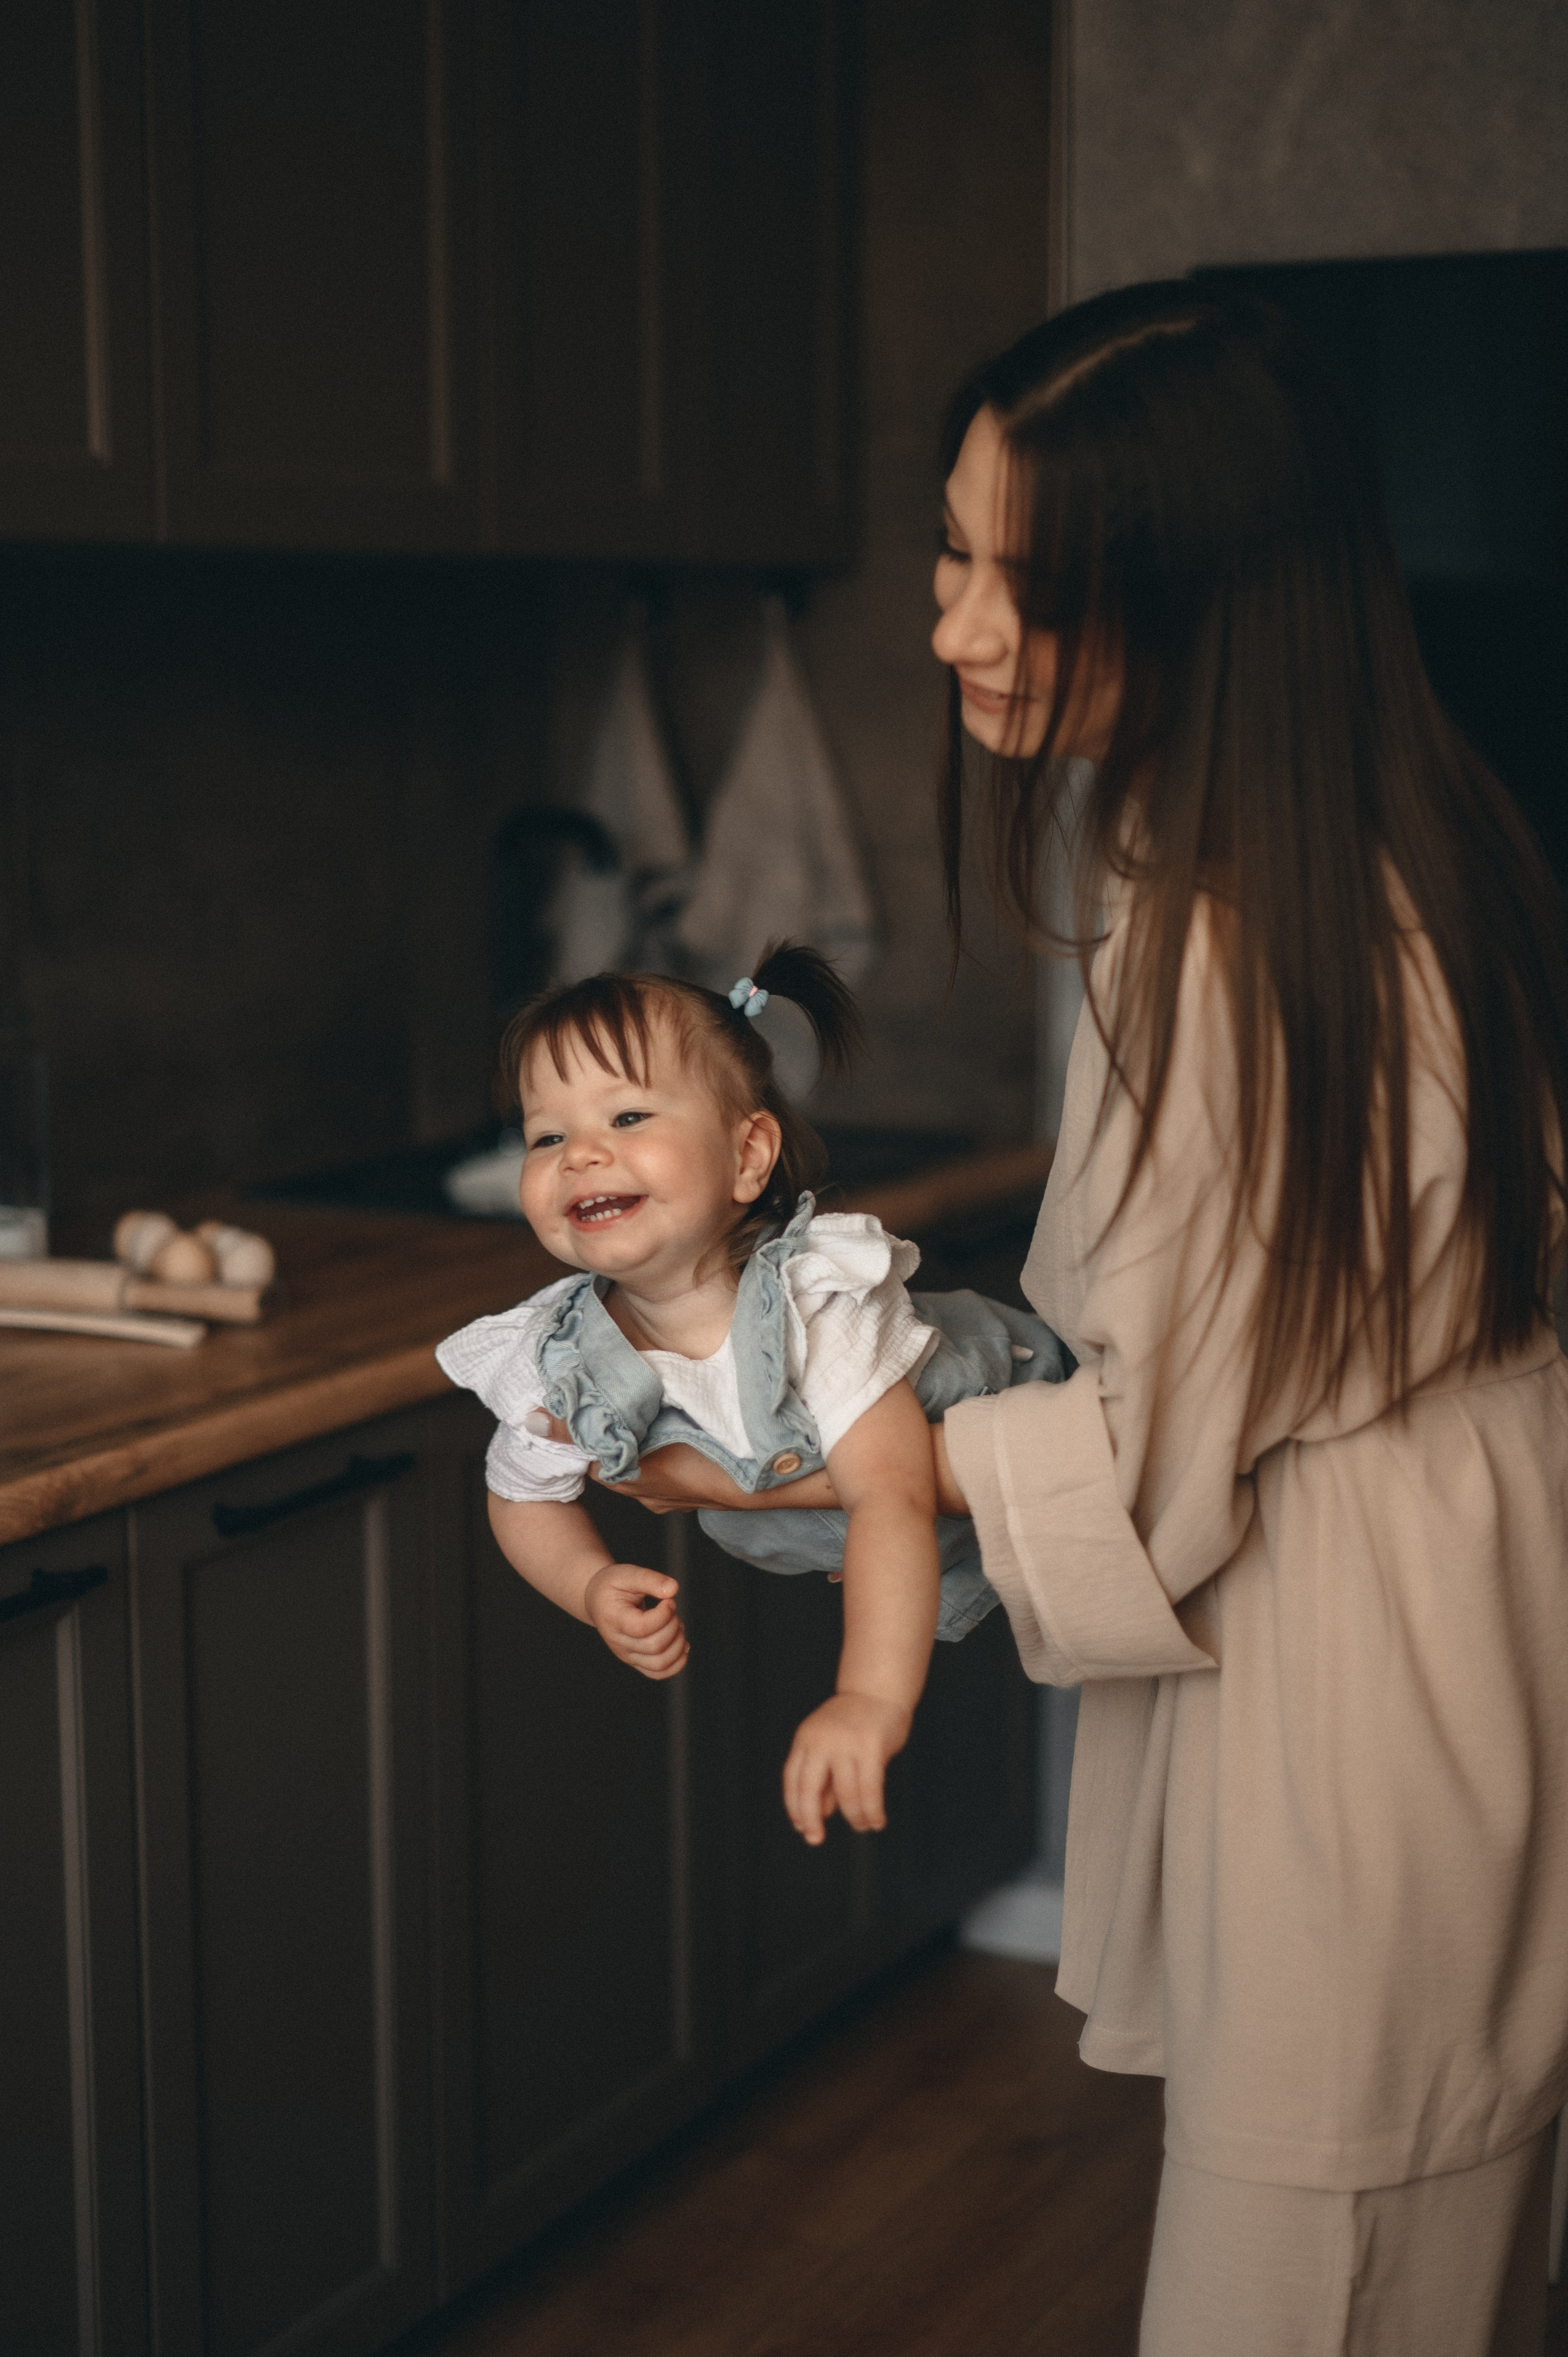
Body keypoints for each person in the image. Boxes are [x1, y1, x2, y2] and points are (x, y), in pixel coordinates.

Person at [597, 284, 1568, 2355]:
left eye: (1022, 579)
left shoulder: (1247, 935)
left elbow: (1156, 1450)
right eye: (953, 546)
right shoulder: (1320, 843)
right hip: (1429, 1611)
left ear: (1212, 598)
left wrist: (768, 1457)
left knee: (1320, 2274)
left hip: (1369, 1686)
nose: (953, 619)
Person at [435, 942, 1070, 1849]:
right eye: (547, 1136)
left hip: (1046, 1428)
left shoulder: (818, 1302)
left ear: (747, 1156)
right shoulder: (558, 1356)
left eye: (627, 1114)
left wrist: (867, 1700)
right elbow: (521, 1493)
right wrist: (590, 1582)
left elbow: (889, 1494)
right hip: (945, 1542)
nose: (582, 1155)